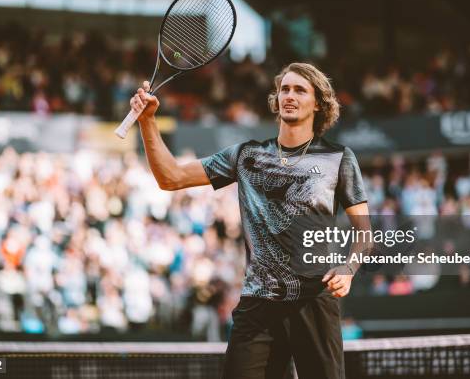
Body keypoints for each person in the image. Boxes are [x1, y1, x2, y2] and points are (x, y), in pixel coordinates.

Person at [128, 62, 370, 379]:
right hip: (259, 305)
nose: (290, 95)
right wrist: (148, 122)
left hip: (314, 300)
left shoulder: (339, 158)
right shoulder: (247, 155)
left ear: (318, 104)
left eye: (300, 90)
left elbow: (365, 232)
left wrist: (349, 268)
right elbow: (171, 177)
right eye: (285, 89)